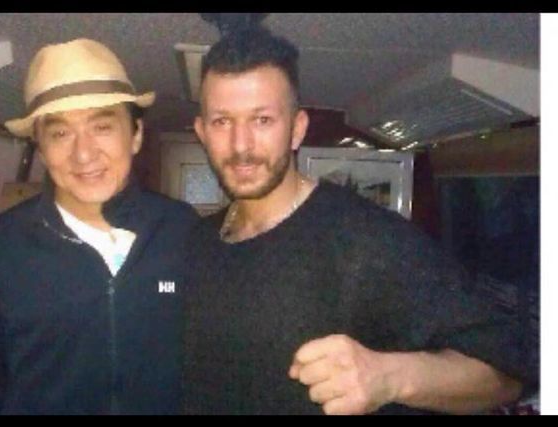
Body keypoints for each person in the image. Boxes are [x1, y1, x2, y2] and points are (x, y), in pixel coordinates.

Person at [182, 28, 537, 415]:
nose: (241, 146)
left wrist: (389, 377)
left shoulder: (367, 240)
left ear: (297, 129)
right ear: (202, 132)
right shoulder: (198, 241)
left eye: (262, 120)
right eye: (222, 122)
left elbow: (505, 375)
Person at [0, 38, 198, 414]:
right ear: (41, 148)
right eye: (60, 133)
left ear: (136, 135)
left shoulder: (183, 230)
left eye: (102, 127)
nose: (83, 153)